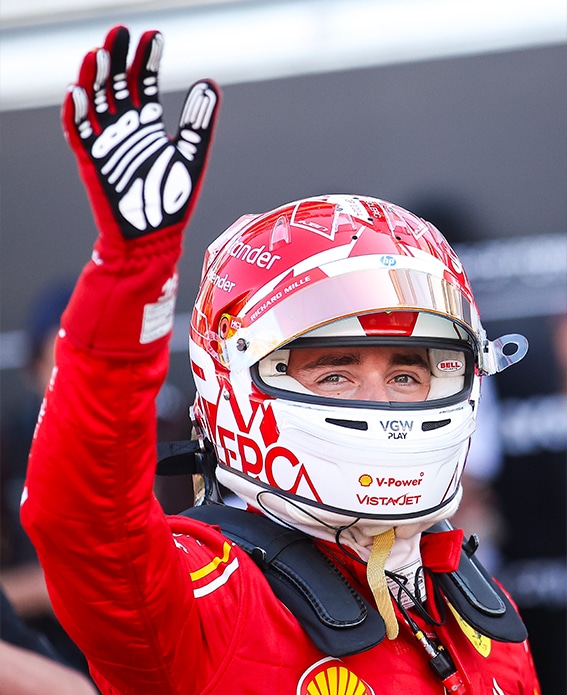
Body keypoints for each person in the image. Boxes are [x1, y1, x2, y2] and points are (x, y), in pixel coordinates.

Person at [21, 25, 540, 694]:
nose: (381, 403)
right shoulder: (207, 607)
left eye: (407, 374)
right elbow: (82, 523)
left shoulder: (479, 608)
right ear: (235, 388)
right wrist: (132, 269)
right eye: (335, 373)